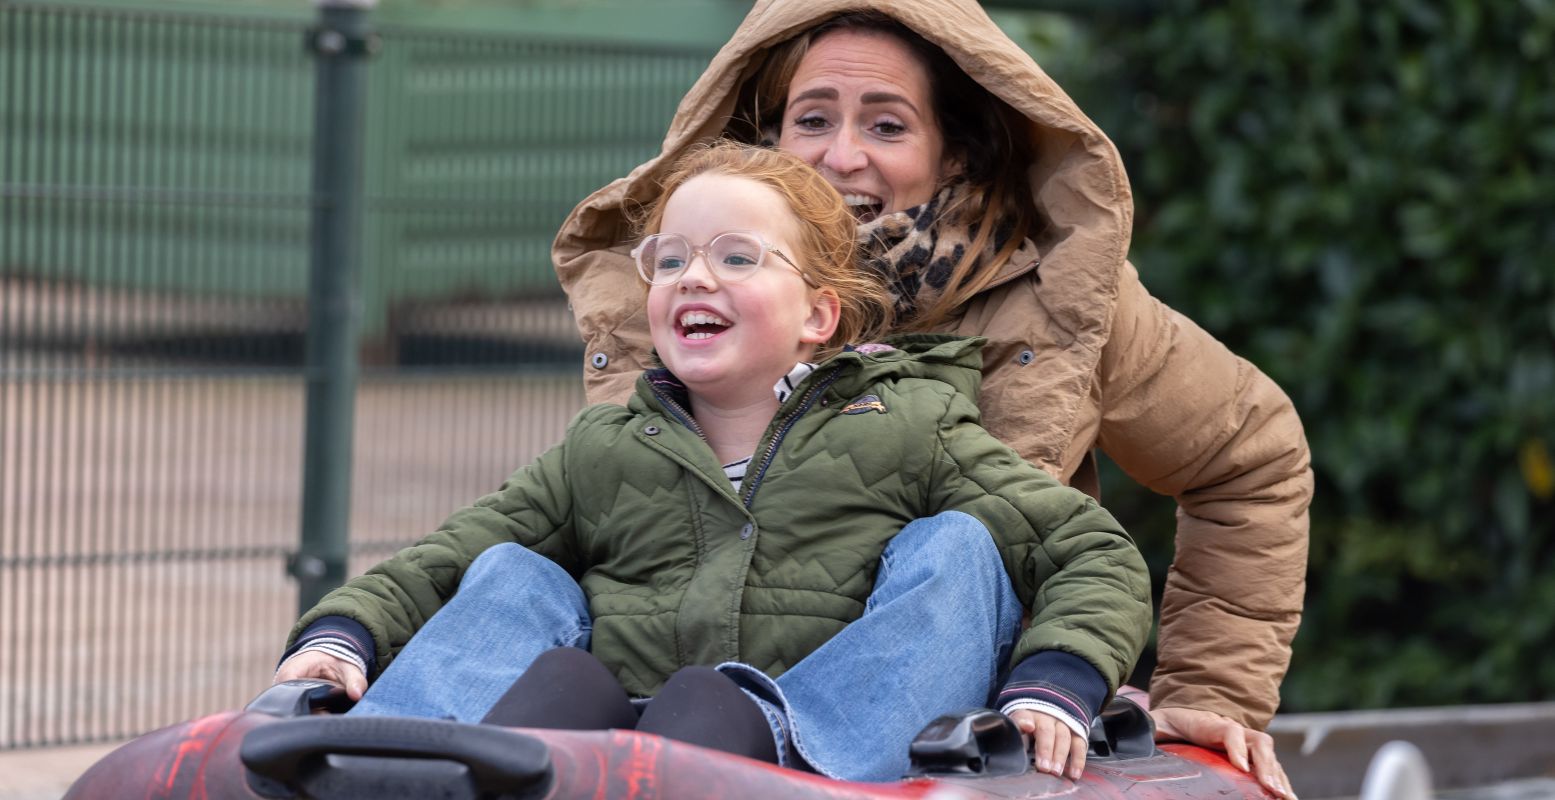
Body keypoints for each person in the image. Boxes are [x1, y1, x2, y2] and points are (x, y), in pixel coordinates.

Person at [551, 3, 1312, 798]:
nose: (839, 157)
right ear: (764, 139)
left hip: (932, 746)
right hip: (680, 723)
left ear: (954, 153)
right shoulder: (680, 285)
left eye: (886, 126)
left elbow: (1247, 455)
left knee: (953, 542)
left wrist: (1207, 695)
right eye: (811, 119)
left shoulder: (1057, 302)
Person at [275, 141, 1152, 782]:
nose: (695, 277)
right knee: (514, 570)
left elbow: (1092, 552)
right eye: (671, 260)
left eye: (736, 258)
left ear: (818, 316)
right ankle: (395, 759)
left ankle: (759, 743)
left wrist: (1055, 681)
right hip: (611, 738)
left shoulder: (906, 427)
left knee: (957, 548)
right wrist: (341, 634)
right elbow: (449, 557)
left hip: (811, 750)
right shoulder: (607, 448)